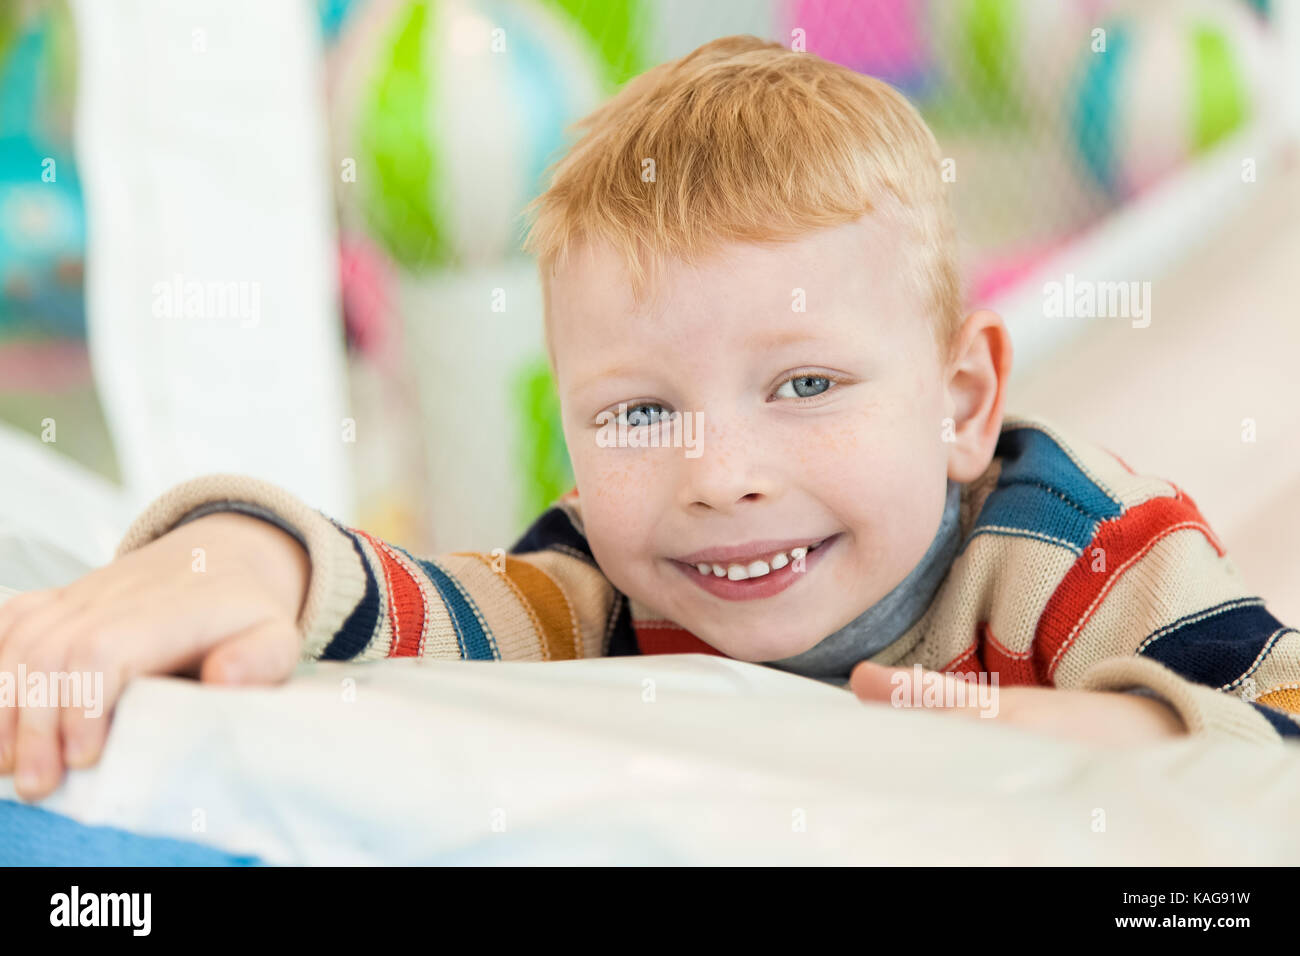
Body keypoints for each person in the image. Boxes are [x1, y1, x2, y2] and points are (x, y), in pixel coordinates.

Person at [3, 36, 1296, 805]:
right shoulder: (606, 585)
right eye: (635, 411)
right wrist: (235, 556)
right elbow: (414, 608)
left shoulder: (1078, 554)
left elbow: (1281, 711)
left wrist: (1118, 732)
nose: (719, 476)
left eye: (805, 385)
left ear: (962, 404)